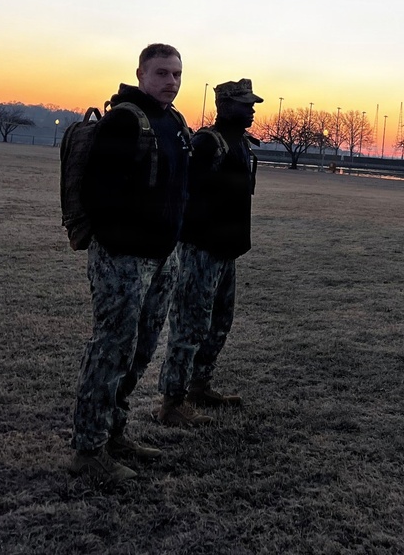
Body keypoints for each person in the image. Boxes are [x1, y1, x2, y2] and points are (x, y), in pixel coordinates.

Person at [70, 44, 190, 484]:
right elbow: (99, 197)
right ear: (140, 73)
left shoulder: (174, 122)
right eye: (161, 73)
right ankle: (88, 450)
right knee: (111, 348)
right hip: (124, 259)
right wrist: (128, 243)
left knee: (140, 349)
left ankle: (115, 432)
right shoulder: (124, 119)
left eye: (177, 74)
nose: (171, 82)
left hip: (163, 258)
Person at [157, 79, 263, 426]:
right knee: (190, 324)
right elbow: (184, 192)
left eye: (252, 104)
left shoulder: (242, 144)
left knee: (219, 323)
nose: (252, 109)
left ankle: (199, 387)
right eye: (245, 104)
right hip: (201, 250)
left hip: (227, 251)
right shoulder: (207, 143)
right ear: (226, 106)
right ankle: (172, 402)